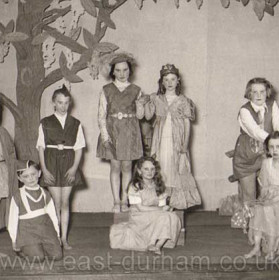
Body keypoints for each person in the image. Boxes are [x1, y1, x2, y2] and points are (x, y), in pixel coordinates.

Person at [96, 52, 148, 213]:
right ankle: (116, 201)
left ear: (129, 70)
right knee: (115, 166)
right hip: (113, 131)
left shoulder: (136, 90)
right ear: (112, 71)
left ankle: (125, 200)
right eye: (118, 70)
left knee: (127, 166)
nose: (122, 74)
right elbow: (101, 115)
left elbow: (140, 116)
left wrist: (140, 105)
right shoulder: (106, 89)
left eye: (125, 70)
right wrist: (105, 135)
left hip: (130, 131)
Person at [144, 64, 201, 209]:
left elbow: (187, 124)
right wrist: (145, 101)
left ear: (178, 81)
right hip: (160, 141)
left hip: (176, 142)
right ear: (162, 82)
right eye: (166, 80)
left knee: (175, 169)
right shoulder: (158, 99)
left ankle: (174, 203)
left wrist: (185, 145)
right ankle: (160, 200)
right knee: (161, 168)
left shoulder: (184, 101)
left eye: (173, 79)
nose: (169, 83)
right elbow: (147, 115)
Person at [37, 85, 86, 250]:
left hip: (68, 164)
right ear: (54, 103)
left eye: (66, 103)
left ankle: (64, 239)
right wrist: (44, 170)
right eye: (60, 102)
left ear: (69, 103)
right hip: (51, 163)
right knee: (55, 203)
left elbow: (79, 148)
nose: (63, 106)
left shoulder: (76, 123)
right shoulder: (45, 122)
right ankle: (55, 237)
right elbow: (41, 148)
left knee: (65, 203)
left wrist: (73, 169)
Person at [110, 156, 181, 255]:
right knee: (162, 216)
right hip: (139, 215)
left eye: (152, 169)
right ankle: (151, 242)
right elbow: (140, 208)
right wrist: (161, 209)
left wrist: (167, 207)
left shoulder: (157, 185)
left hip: (154, 213)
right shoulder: (135, 186)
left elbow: (161, 204)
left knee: (172, 217)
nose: (149, 172)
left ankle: (157, 245)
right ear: (139, 171)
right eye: (146, 169)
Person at [233, 78, 279, 206]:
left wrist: (277, 139)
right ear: (249, 93)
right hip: (247, 157)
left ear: (267, 92)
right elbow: (256, 132)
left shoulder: (272, 105)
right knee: (249, 197)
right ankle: (247, 225)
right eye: (254, 92)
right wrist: (275, 140)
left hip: (267, 154)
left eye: (262, 91)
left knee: (269, 194)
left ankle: (266, 225)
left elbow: (278, 126)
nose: (259, 95)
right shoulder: (244, 110)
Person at [7, 160, 62, 262]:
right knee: (38, 258)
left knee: (57, 256)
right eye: (26, 176)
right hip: (27, 230)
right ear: (20, 178)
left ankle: (40, 246)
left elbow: (53, 215)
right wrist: (14, 239)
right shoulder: (17, 196)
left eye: (33, 174)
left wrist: (57, 235)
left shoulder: (46, 193)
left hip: (45, 228)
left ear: (39, 173)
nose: (31, 178)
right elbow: (12, 219)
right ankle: (25, 249)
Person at [244, 132, 279, 260]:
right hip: (271, 197)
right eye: (271, 147)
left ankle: (272, 249)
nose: (275, 150)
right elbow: (263, 186)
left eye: (278, 147)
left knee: (271, 209)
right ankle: (256, 247)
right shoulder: (266, 163)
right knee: (258, 208)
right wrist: (265, 197)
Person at [0, 125, 17, 229]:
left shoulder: (2, 131)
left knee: (4, 196)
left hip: (2, 167)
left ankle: (3, 223)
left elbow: (11, 152)